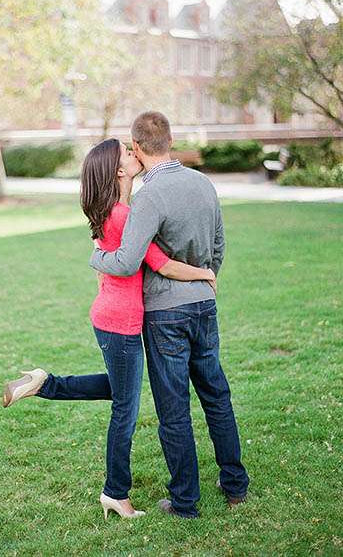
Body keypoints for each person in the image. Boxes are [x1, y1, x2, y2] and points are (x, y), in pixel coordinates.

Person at [1, 137, 216, 520]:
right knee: (125, 408)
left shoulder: (115, 210)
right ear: (119, 170)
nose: (135, 156)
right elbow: (162, 264)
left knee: (123, 389)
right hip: (121, 323)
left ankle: (43, 383)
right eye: (128, 154)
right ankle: (116, 492)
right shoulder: (123, 215)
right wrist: (205, 272)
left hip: (110, 318)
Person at [88, 111, 249, 519]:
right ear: (171, 141)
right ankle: (234, 486)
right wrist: (206, 279)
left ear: (137, 149)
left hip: (164, 314)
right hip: (204, 305)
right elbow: (218, 246)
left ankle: (184, 501)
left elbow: (127, 262)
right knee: (216, 396)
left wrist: (96, 255)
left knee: (174, 409)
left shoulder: (148, 197)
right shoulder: (203, 183)